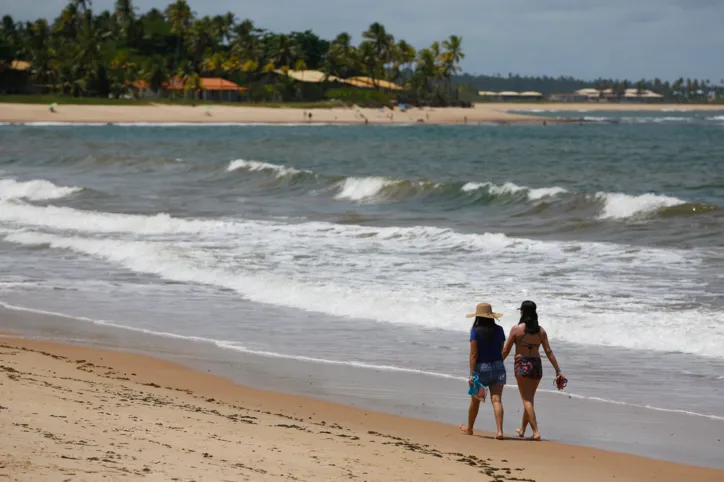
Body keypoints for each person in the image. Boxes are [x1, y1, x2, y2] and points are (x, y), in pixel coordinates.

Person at [502, 300, 564, 441]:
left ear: (522, 312)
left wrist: (499, 363)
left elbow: (506, 350)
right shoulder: (541, 331)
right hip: (536, 365)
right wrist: (557, 370)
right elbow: (548, 351)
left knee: (526, 400)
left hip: (522, 364)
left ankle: (536, 432)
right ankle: (522, 429)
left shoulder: (516, 329)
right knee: (529, 398)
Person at [460, 302, 506, 440]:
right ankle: (499, 431)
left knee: (475, 401)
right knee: (496, 399)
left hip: (481, 369)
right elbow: (501, 349)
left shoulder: (475, 331)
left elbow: (473, 354)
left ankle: (470, 428)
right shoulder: (499, 330)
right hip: (498, 367)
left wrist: (472, 373)